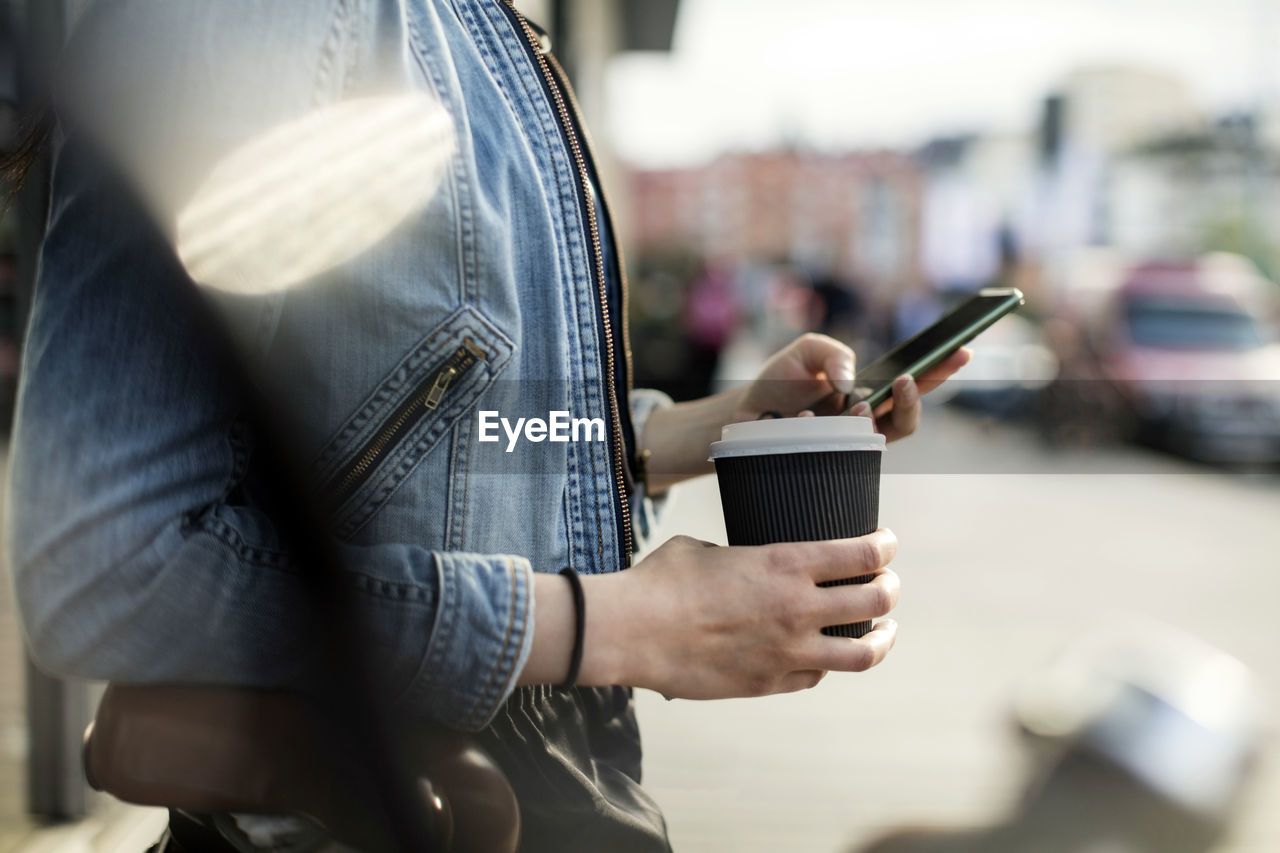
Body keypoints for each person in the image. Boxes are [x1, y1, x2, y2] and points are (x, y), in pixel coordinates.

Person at [5, 2, 969, 851]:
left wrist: (716, 426)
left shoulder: (481, 30)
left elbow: (437, 439)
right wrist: (623, 622)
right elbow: (104, 569)